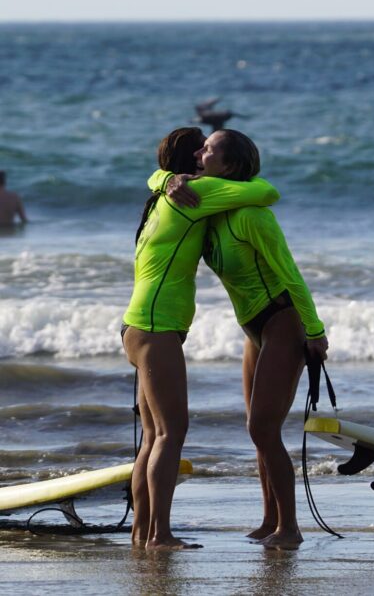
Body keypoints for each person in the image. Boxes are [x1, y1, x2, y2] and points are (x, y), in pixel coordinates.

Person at [154, 129, 328, 550]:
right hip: (253, 327)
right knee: (258, 431)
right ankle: (270, 519)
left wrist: (316, 331)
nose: (199, 153)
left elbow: (290, 275)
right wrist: (167, 180)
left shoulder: (253, 214)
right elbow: (158, 176)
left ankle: (291, 528)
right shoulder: (212, 206)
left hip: (283, 323)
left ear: (229, 165)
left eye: (208, 149)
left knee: (263, 428)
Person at [122, 127, 280, 551]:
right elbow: (264, 191)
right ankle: (160, 535)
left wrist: (163, 178)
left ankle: (142, 534)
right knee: (172, 433)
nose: (200, 153)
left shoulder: (160, 198)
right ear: (187, 163)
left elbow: (154, 176)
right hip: (156, 327)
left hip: (138, 325)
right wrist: (175, 179)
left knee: (154, 437)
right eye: (196, 148)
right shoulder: (196, 196)